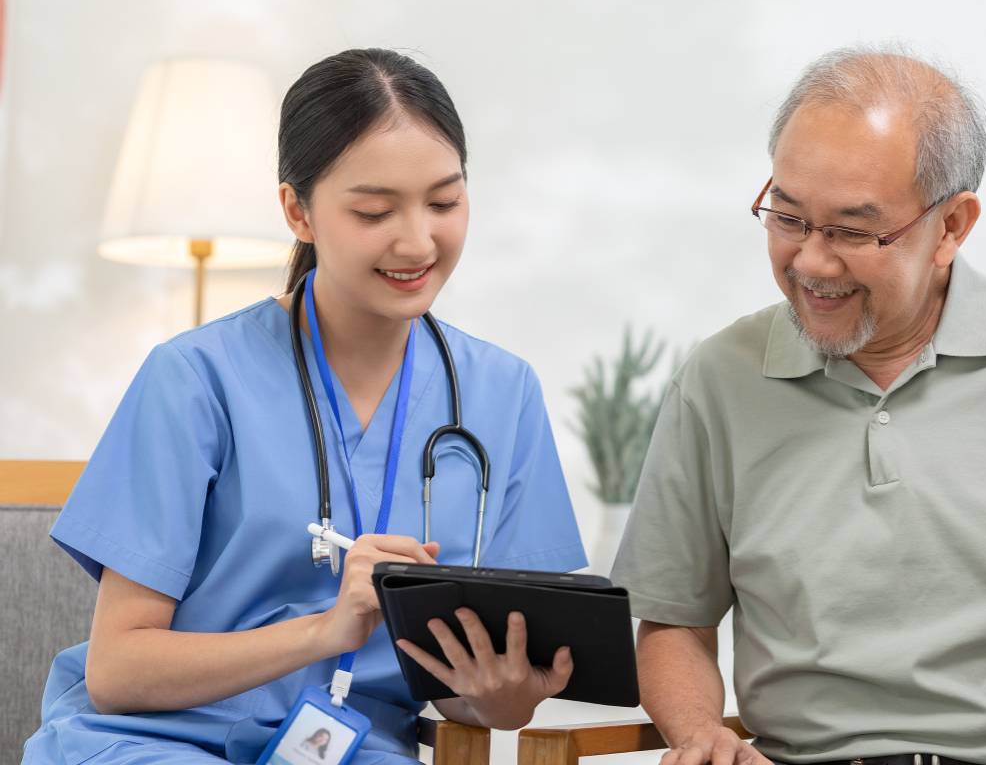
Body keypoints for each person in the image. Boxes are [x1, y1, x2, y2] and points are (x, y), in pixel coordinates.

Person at [610, 45, 986, 765]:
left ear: (952, 226)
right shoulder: (718, 378)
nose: (811, 263)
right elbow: (673, 622)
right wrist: (701, 736)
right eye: (787, 217)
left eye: (853, 232)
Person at [23, 48, 587, 764]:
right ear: (298, 210)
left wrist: (503, 694)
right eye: (375, 210)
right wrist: (327, 630)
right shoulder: (194, 379)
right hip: (156, 741)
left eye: (444, 202)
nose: (418, 240)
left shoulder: (501, 394)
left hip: (353, 748)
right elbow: (116, 672)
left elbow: (474, 697)